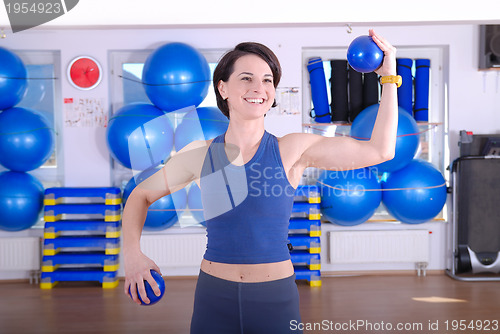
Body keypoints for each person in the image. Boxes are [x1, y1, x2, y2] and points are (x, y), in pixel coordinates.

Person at [123, 29, 398, 334]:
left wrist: (389, 78)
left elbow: (380, 150)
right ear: (223, 88)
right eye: (246, 78)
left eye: (268, 80)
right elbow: (140, 196)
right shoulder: (199, 155)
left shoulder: (293, 149)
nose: (259, 87)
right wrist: (132, 254)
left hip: (274, 299)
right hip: (214, 297)